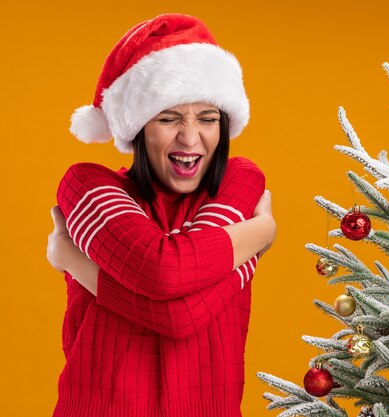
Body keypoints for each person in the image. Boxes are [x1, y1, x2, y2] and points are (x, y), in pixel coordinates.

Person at [46, 13, 276, 417]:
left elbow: (175, 311)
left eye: (207, 119)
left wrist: (77, 263)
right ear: (137, 128)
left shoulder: (239, 181)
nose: (190, 137)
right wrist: (258, 237)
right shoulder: (86, 187)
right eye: (168, 119)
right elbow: (168, 280)